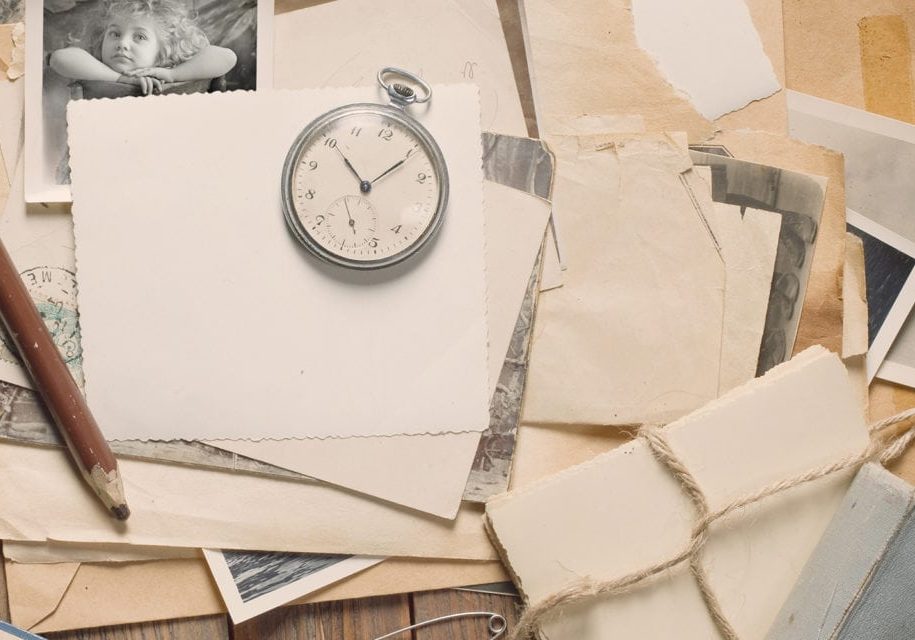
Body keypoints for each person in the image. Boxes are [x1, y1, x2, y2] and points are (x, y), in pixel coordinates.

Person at [49, 0, 237, 96]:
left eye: (139, 37)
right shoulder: (94, 67)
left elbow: (227, 57)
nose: (122, 43)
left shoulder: (168, 72)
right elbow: (59, 58)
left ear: (163, 49)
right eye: (114, 34)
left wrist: (173, 75)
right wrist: (120, 79)